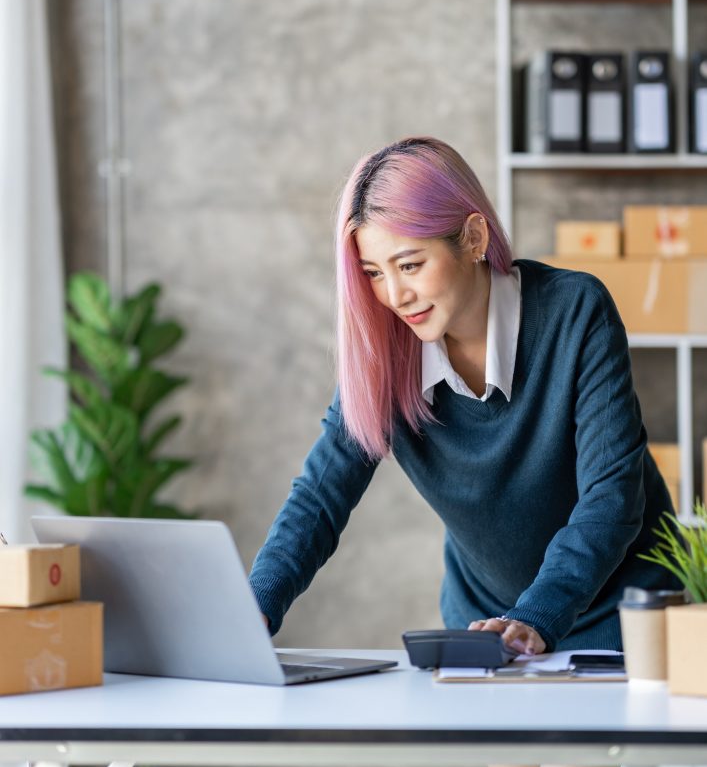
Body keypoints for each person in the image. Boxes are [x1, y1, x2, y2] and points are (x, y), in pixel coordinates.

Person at [248, 135, 678, 659]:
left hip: (622, 616)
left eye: (409, 265)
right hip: (487, 627)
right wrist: (254, 608)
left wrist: (534, 616)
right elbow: (319, 497)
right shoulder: (384, 355)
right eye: (373, 274)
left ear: (473, 238)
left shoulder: (574, 311)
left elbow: (610, 500)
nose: (394, 296)